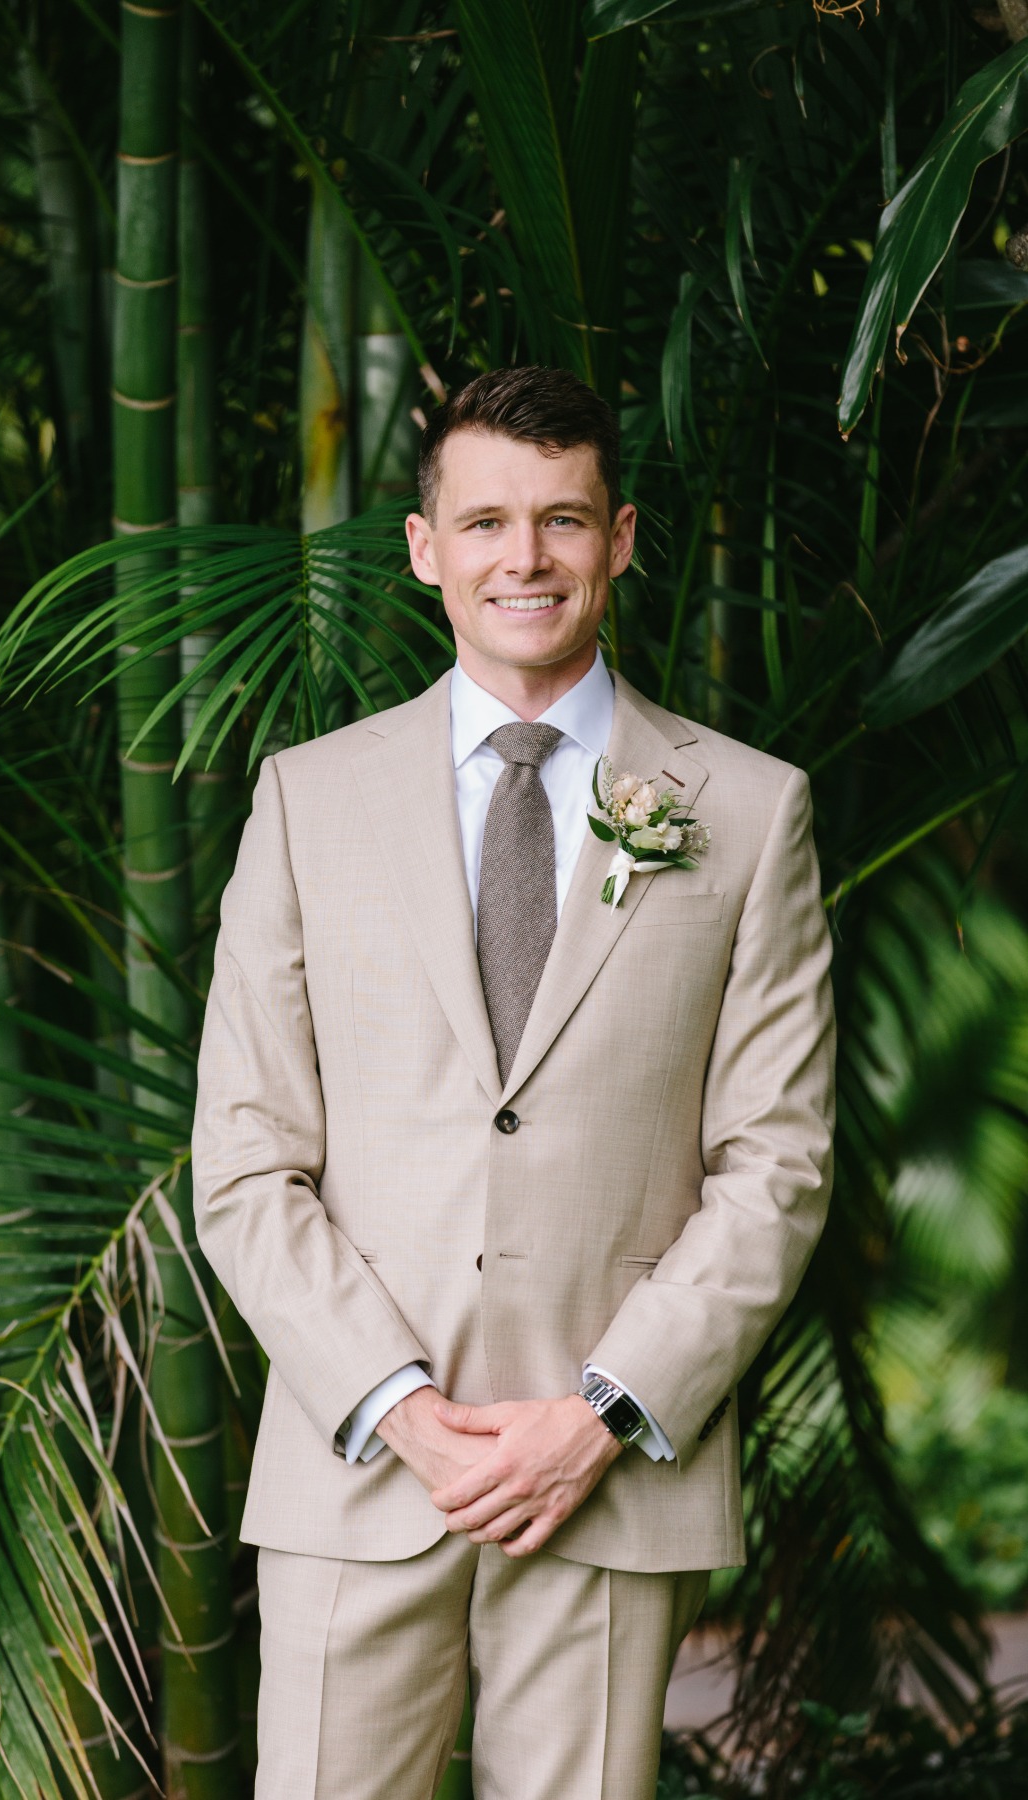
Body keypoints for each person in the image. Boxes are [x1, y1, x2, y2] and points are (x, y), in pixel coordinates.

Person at [192, 365, 835, 1798]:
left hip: (610, 1475)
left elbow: (778, 1164)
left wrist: (600, 1413)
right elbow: (243, 1162)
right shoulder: (308, 797)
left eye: (561, 520)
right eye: (485, 523)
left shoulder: (747, 807)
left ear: (619, 538)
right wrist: (402, 1406)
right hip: (359, 1468)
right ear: (427, 550)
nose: (523, 558)